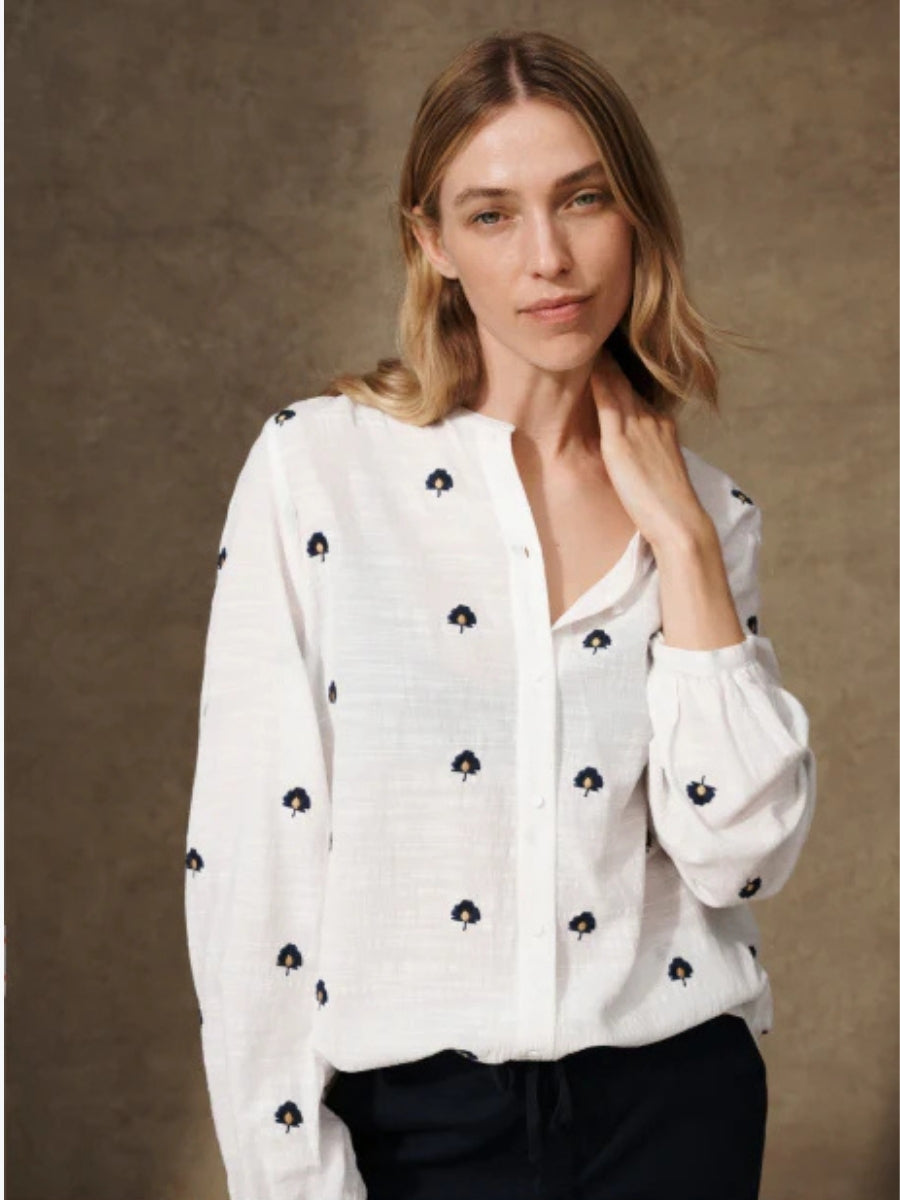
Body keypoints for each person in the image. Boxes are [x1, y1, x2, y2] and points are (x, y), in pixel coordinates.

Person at [183, 29, 816, 1200]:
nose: (549, 258)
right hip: (417, 1129)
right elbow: (251, 861)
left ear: (637, 216)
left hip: (679, 1109)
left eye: (583, 199)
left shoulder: (710, 516)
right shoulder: (318, 472)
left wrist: (679, 545)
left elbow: (742, 859)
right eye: (491, 214)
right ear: (430, 244)